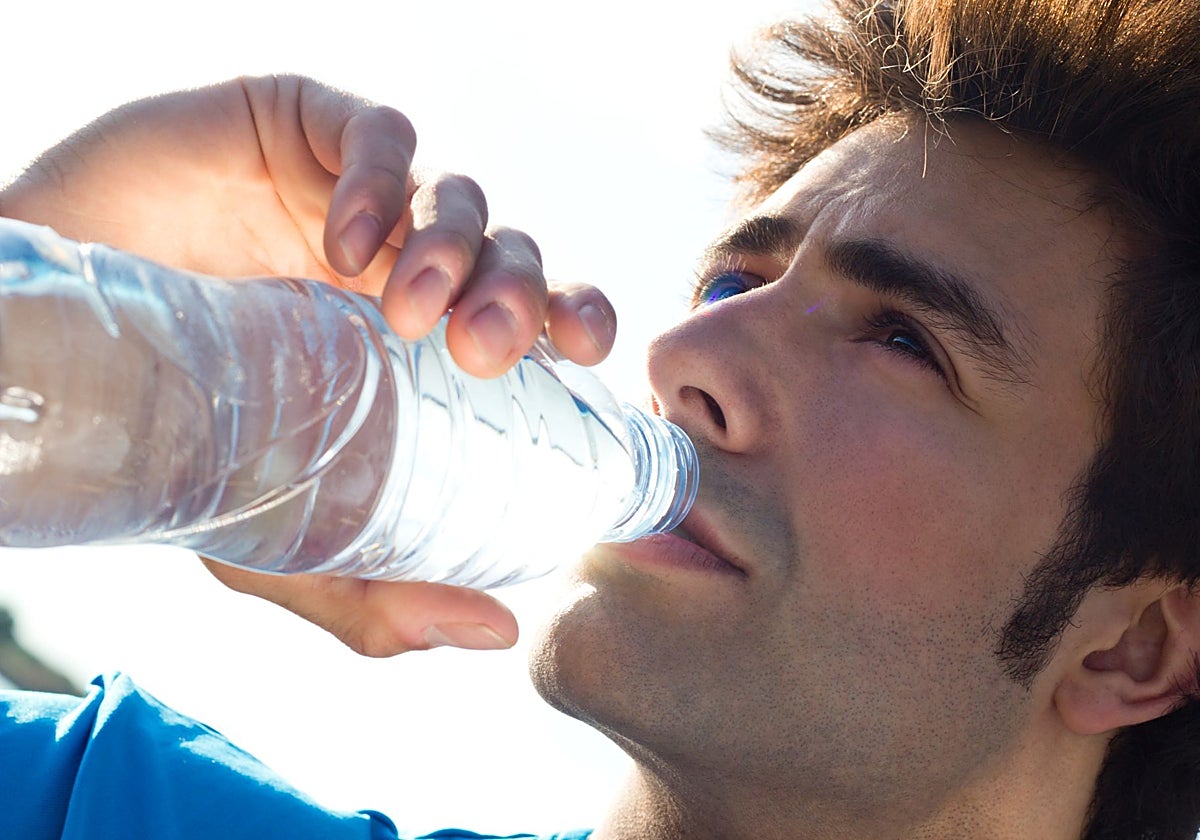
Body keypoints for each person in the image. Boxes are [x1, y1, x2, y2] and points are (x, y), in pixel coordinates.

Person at [2, 0, 1199, 838]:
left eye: (903, 342)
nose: (686, 356)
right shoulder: (97, 808)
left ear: (1132, 648)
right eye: (735, 283)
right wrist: (47, 301)